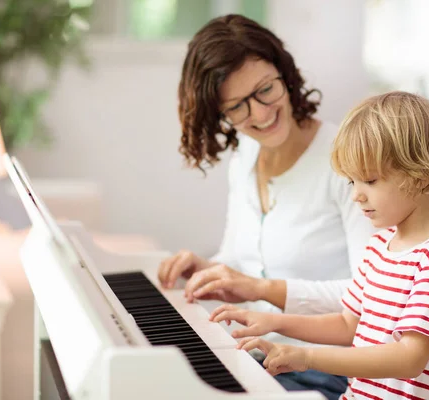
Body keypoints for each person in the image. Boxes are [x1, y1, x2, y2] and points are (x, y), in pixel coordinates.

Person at [156, 14, 376, 399]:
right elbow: (244, 262)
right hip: (255, 356)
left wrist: (261, 288)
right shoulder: (245, 155)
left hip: (325, 368)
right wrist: (209, 270)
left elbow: (374, 296)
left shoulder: (347, 159)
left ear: (285, 74)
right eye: (237, 107)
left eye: (265, 90)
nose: (259, 114)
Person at [210, 91, 429, 400]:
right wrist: (273, 322)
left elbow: (409, 358)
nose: (356, 195)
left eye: (369, 181)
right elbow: (349, 325)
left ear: (421, 174)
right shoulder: (379, 247)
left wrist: (307, 358)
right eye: (352, 182)